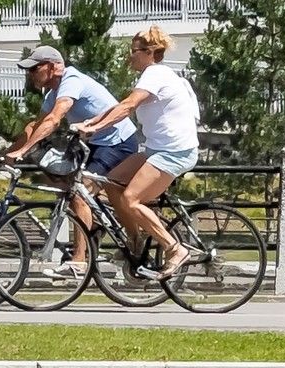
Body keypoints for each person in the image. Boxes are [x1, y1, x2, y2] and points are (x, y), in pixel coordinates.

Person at [3, 45, 139, 278]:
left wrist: (24, 151)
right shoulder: (52, 93)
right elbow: (35, 125)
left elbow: (55, 119)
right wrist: (8, 154)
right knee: (66, 187)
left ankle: (79, 261)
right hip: (96, 142)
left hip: (118, 141)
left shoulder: (71, 80)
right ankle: (96, 225)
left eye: (35, 68)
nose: (30, 74)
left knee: (79, 194)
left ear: (53, 67)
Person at [76, 26, 201, 280]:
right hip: (157, 149)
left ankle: (174, 249)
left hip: (174, 152)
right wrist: (89, 124)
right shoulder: (151, 76)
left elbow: (128, 107)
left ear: (149, 52)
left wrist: (95, 128)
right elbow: (119, 106)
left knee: (132, 199)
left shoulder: (155, 74)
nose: (129, 57)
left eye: (133, 52)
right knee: (111, 182)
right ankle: (136, 240)